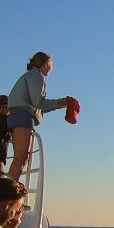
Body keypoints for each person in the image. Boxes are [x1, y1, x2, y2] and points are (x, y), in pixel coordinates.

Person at [6, 52, 73, 182]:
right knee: (21, 158)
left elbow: (36, 106)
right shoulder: (37, 76)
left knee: (19, 159)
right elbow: (39, 103)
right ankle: (8, 193)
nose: (52, 68)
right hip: (22, 117)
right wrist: (62, 102)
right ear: (46, 64)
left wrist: (60, 104)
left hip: (16, 116)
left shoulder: (28, 76)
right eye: (51, 64)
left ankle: (8, 191)